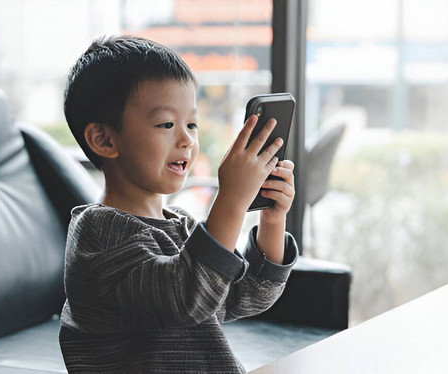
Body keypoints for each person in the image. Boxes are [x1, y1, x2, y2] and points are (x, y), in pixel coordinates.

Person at [59, 35, 297, 373]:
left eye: (192, 124)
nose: (187, 139)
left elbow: (246, 296)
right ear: (105, 140)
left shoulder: (181, 225)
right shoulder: (99, 233)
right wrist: (230, 200)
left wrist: (273, 220)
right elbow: (184, 297)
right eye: (167, 124)